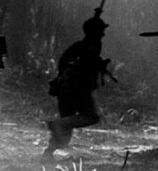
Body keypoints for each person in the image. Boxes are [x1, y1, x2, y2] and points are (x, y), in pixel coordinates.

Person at [43, 15, 111, 162]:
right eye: (100, 31)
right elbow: (88, 62)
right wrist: (98, 65)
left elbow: (64, 61)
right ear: (95, 32)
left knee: (65, 127)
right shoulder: (89, 46)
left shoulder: (82, 45)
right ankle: (57, 125)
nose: (103, 34)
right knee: (90, 117)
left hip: (66, 88)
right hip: (78, 89)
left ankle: (48, 154)